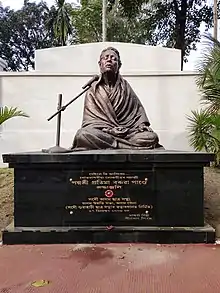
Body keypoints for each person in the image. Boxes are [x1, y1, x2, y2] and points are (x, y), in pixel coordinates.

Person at [72, 47, 163, 150]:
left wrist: (141, 125)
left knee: (151, 137)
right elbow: (89, 123)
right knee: (82, 134)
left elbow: (137, 111)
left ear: (119, 66)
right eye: (105, 58)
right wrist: (110, 130)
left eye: (113, 58)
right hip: (104, 133)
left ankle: (118, 144)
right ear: (100, 64)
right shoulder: (92, 91)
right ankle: (122, 146)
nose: (109, 60)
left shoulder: (125, 87)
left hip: (127, 133)